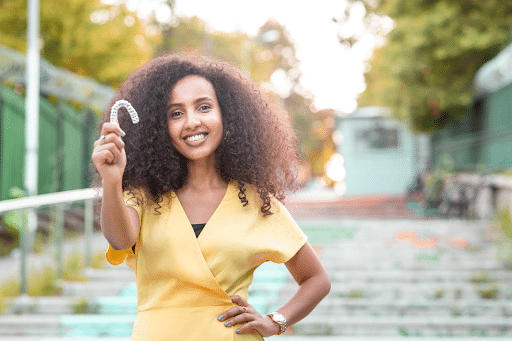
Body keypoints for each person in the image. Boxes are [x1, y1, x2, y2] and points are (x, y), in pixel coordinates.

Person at [91, 53, 330, 340]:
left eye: (203, 107)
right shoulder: (144, 196)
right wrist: (112, 179)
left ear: (226, 117)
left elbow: (316, 279)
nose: (191, 122)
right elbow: (119, 239)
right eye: (176, 113)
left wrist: (275, 321)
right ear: (159, 126)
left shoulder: (256, 203)